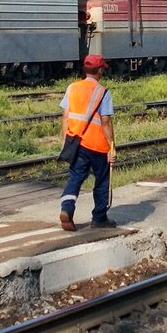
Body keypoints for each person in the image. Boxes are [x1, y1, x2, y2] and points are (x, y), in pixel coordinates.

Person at [58, 53, 117, 231]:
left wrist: (64, 141)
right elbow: (105, 121)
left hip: (77, 143)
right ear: (99, 70)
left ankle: (66, 209)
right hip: (98, 146)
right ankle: (99, 218)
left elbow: (66, 116)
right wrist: (112, 146)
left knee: (75, 178)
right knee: (102, 180)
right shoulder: (103, 92)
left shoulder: (72, 88)